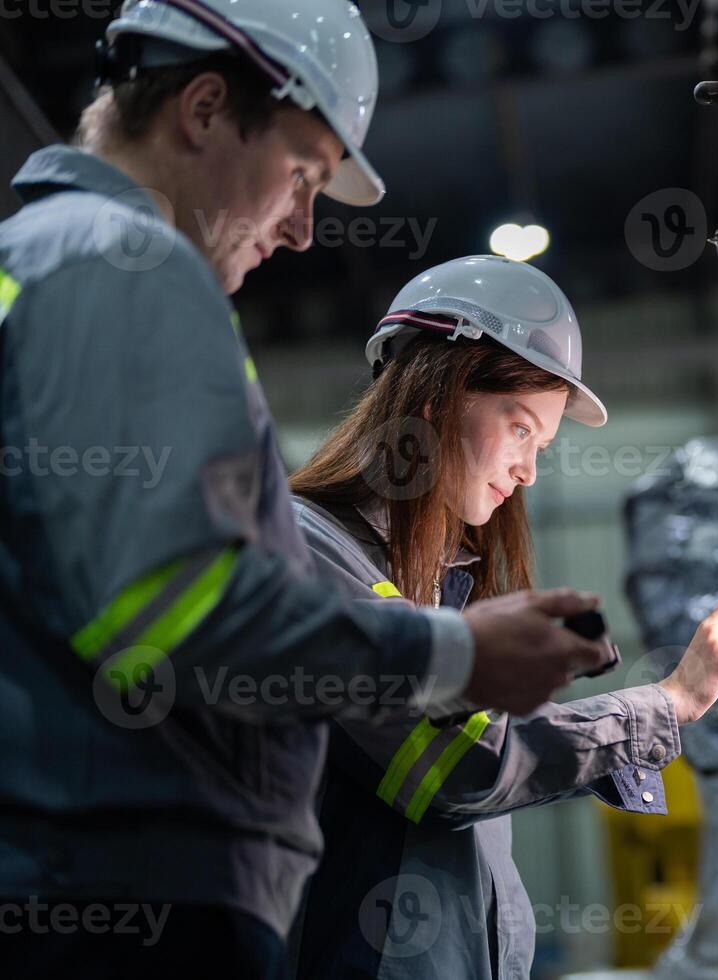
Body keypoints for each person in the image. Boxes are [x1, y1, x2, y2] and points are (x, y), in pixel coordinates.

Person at [0, 2, 602, 975]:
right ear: (203, 108)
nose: (301, 229)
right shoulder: (125, 265)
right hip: (124, 896)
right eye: (302, 176)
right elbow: (180, 599)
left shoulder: (46, 263)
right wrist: (456, 652)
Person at [288, 255, 718, 979]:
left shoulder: (437, 584)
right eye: (519, 429)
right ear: (435, 399)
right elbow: (462, 765)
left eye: (540, 446)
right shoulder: (309, 553)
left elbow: (508, 754)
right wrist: (668, 702)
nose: (528, 472)